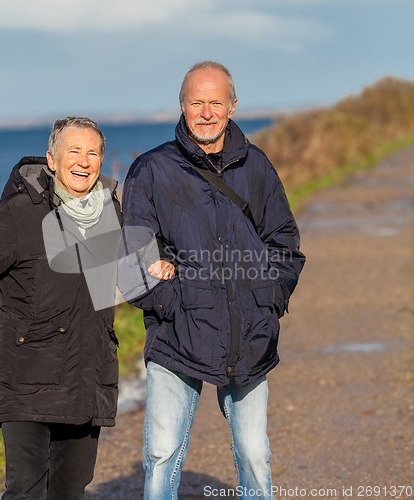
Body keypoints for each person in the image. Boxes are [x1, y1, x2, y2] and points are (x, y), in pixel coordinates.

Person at [0, 117, 174, 499]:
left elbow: (146, 257)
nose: (83, 162)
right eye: (74, 151)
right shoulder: (19, 215)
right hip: (27, 380)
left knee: (70, 493)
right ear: (52, 159)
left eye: (92, 153)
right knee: (25, 491)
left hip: (87, 378)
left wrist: (166, 261)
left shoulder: (112, 215)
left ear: (101, 161)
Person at [120, 62, 306, 499]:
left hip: (249, 332)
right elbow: (132, 261)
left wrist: (269, 298)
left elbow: (284, 243)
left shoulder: (257, 166)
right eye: (196, 102)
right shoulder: (151, 170)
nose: (206, 112)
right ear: (182, 106)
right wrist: (173, 302)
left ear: (233, 106)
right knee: (162, 454)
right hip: (177, 333)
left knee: (254, 455)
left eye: (215, 102)